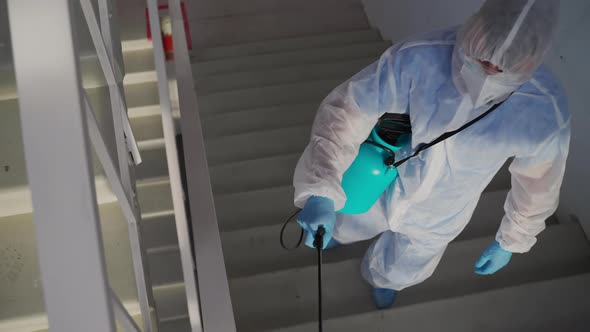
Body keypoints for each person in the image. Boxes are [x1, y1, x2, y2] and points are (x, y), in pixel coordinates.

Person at [294, 0, 568, 309]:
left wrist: (513, 239)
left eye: (503, 69)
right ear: (477, 27)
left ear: (533, 58)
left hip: (441, 214)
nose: (489, 72)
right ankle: (338, 234)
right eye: (481, 59)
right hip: (387, 181)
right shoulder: (419, 57)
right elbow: (348, 111)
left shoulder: (544, 110)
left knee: (405, 263)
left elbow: (540, 182)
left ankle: (383, 280)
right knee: (349, 216)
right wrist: (322, 190)